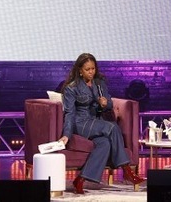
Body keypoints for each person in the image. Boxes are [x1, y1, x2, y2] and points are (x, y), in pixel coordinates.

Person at [56, 53, 144, 193]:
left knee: (105, 143)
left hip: (97, 121)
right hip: (81, 123)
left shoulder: (99, 83)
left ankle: (80, 180)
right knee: (112, 127)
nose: (91, 72)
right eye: (87, 69)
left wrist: (105, 104)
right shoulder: (71, 88)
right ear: (80, 70)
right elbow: (70, 113)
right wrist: (66, 134)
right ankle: (126, 170)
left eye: (93, 68)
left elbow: (109, 102)